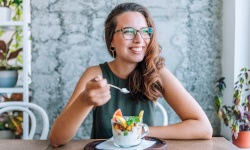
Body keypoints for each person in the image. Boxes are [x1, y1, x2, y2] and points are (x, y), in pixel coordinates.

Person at [49, 2, 213, 147]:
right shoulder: (95, 74)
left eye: (144, 31)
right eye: (128, 31)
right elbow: (57, 139)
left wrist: (142, 130)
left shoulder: (156, 72)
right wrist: (84, 100)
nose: (139, 39)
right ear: (111, 40)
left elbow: (204, 128)